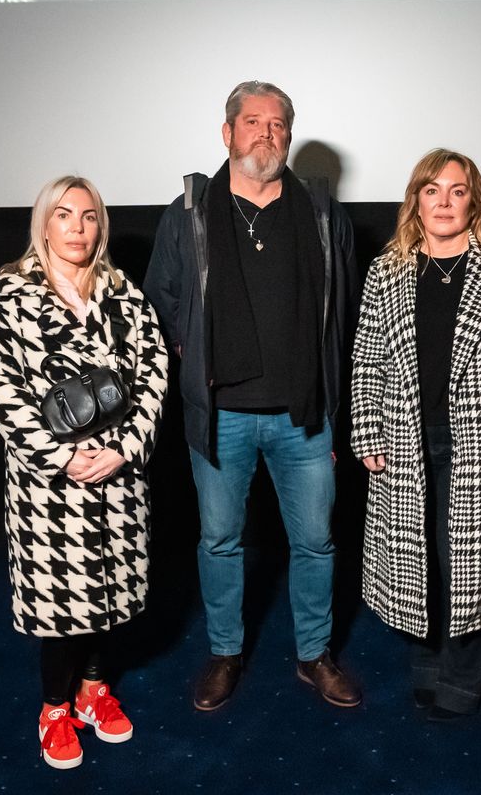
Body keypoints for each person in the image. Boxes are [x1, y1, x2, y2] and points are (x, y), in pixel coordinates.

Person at [143, 80, 361, 711]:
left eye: (277, 124)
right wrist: (192, 355)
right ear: (228, 133)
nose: (266, 133)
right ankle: (224, 652)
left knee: (315, 542)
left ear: (288, 135)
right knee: (219, 541)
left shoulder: (321, 213)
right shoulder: (189, 212)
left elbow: (345, 311)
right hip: (221, 417)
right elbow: (161, 299)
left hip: (304, 416)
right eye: (253, 122)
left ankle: (315, 654)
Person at [0, 176, 169, 770]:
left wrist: (126, 448)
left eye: (88, 216)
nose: (77, 228)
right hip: (49, 487)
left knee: (109, 595)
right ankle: (54, 708)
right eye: (64, 215)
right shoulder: (10, 295)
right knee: (61, 607)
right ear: (44, 223)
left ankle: (92, 690)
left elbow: (154, 372)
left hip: (118, 476)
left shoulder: (123, 293)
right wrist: (60, 456)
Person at [350, 149, 481, 721]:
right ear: (416, 201)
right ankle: (428, 668)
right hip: (405, 439)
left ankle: (463, 684)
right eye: (432, 191)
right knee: (418, 562)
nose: (444, 202)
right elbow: (367, 361)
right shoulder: (388, 270)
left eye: (457, 191)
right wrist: (366, 428)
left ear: (473, 201)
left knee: (472, 565)